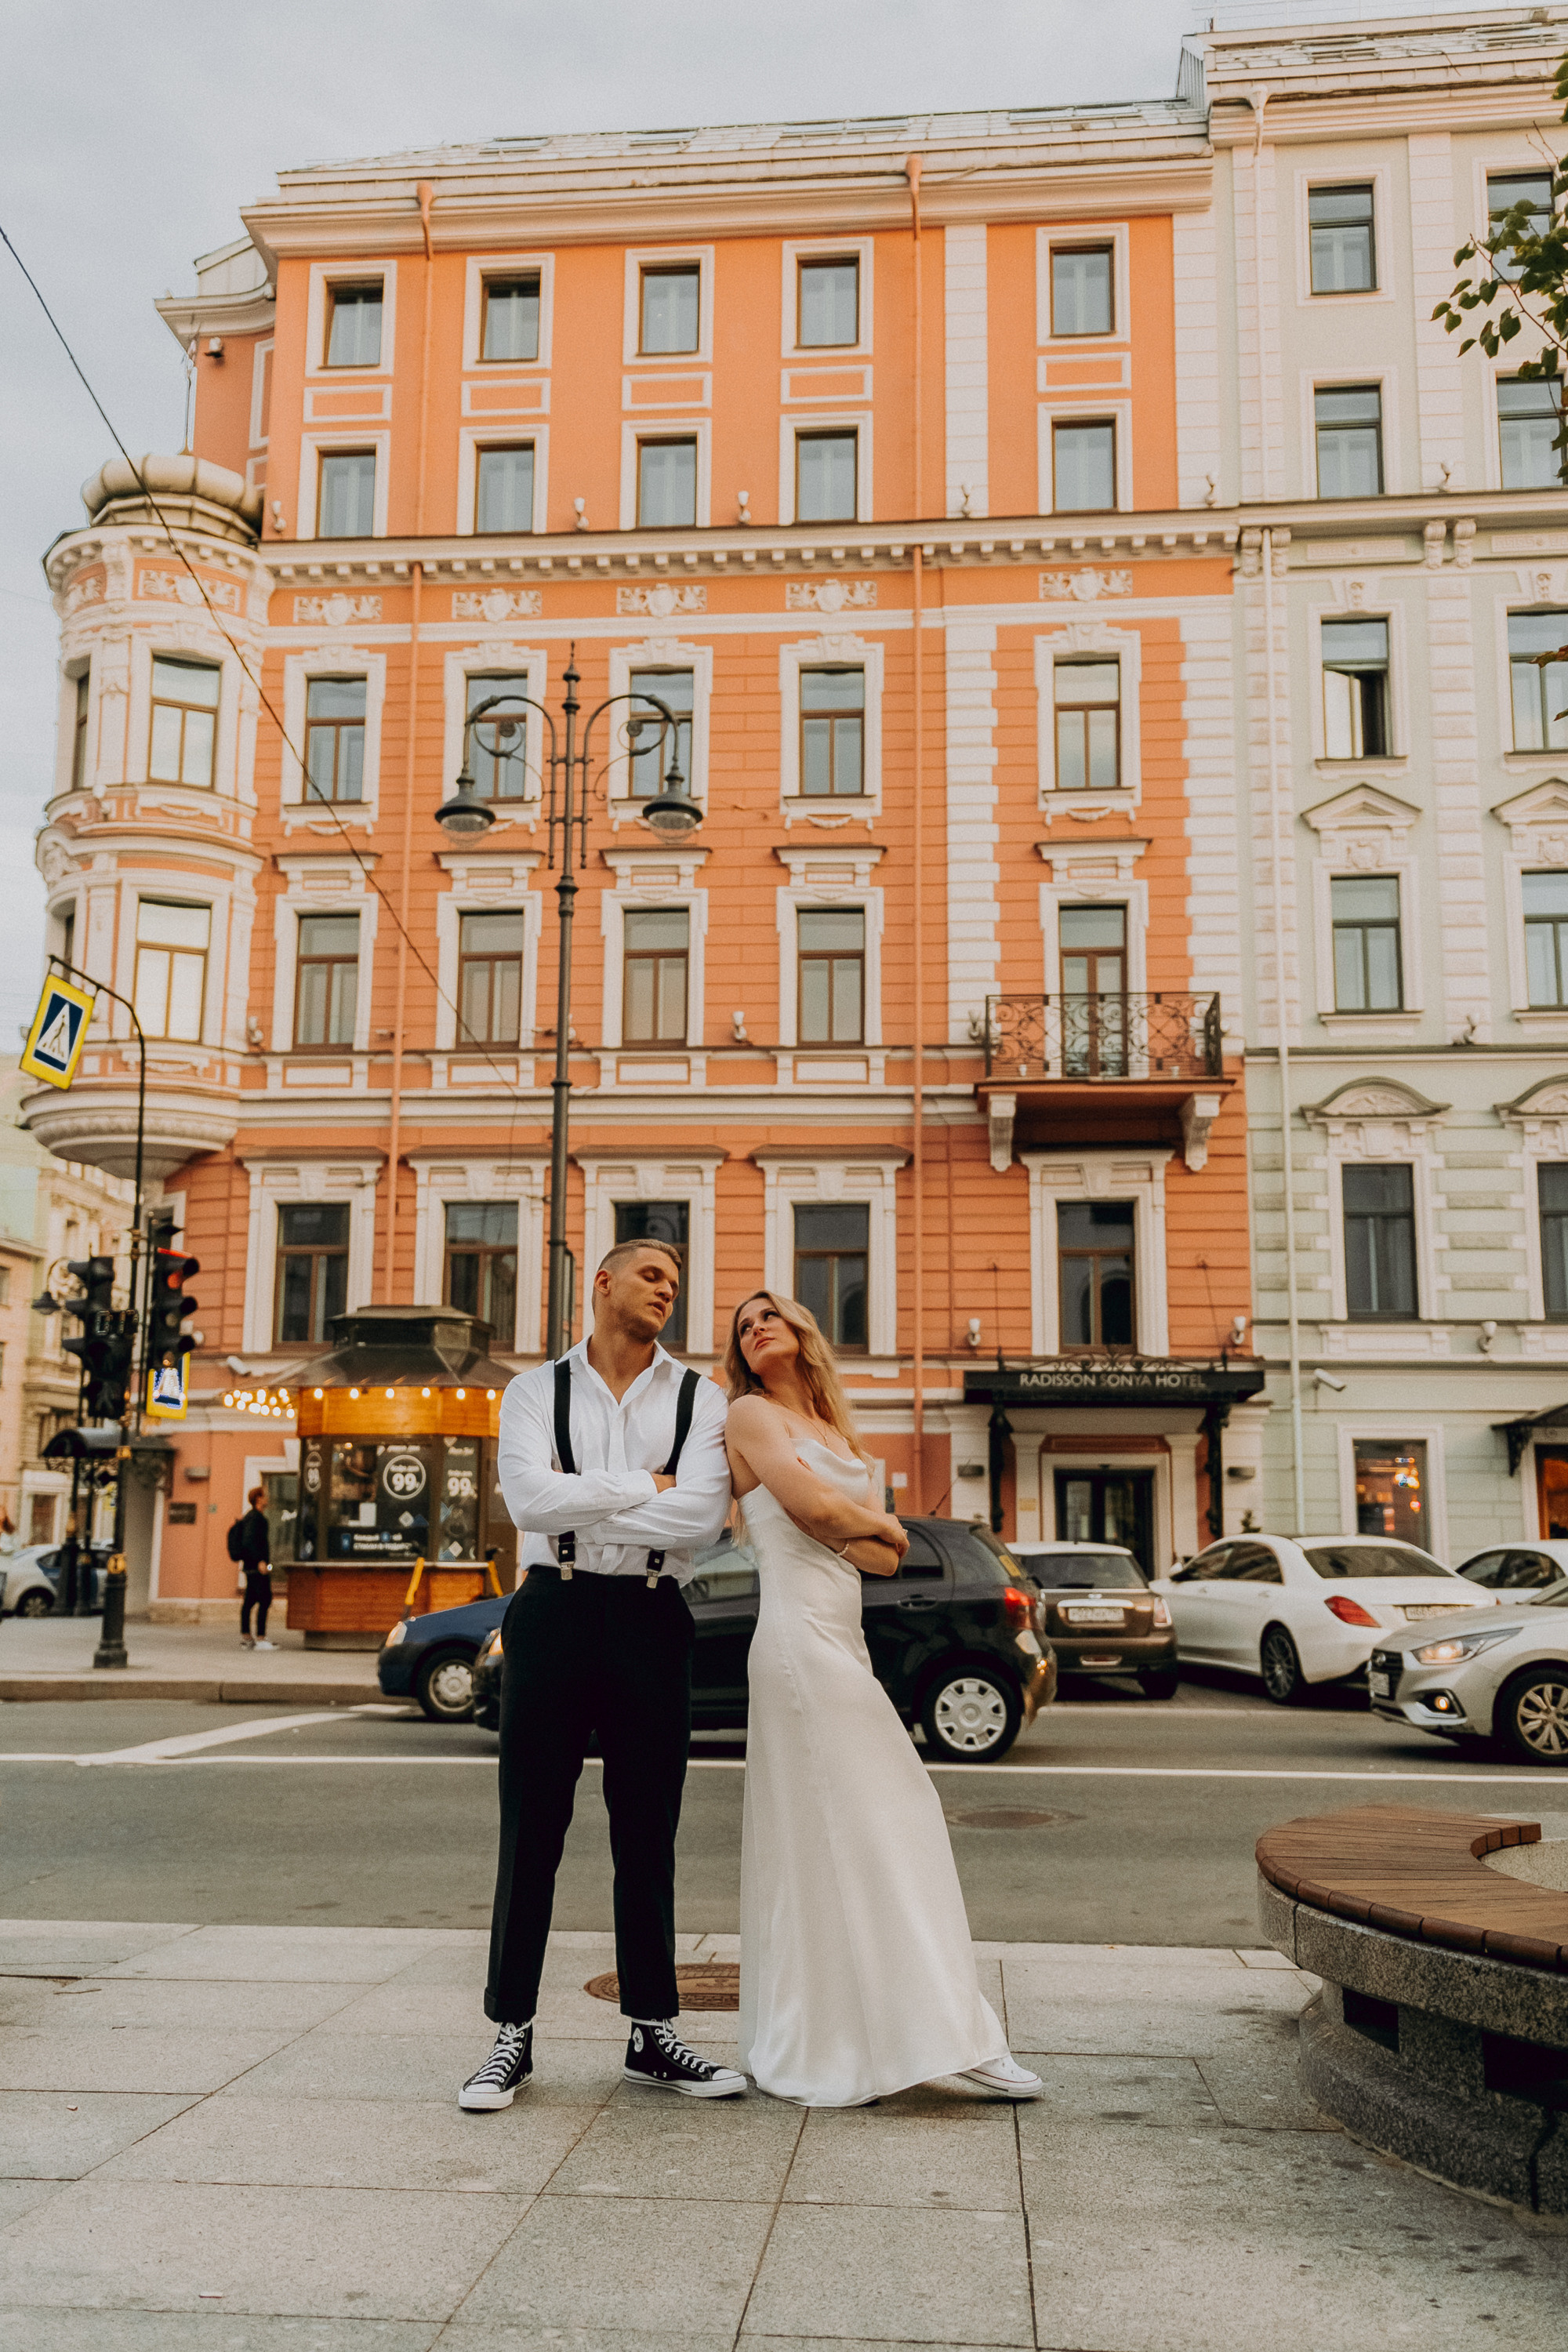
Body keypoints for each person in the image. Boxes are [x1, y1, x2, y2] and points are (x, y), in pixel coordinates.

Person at [724, 1289, 1044, 2108]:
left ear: (802, 1330)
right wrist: (884, 1523)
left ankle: (887, 2030)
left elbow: (876, 1562)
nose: (756, 1327)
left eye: (770, 1315)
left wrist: (870, 1530)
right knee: (883, 1818)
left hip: (842, 1640)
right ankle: (945, 2034)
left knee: (856, 1833)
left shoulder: (833, 1431)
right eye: (743, 1325)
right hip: (797, 1647)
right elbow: (814, 1512)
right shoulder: (751, 1416)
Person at [460, 1240, 744, 2113]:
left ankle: (651, 2033)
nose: (666, 1288)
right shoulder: (531, 1390)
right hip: (553, 1608)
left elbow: (697, 1514)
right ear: (603, 1283)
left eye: (675, 1280)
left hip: (654, 1617)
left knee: (647, 1831)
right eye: (651, 1274)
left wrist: (592, 1490)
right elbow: (527, 1504)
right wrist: (640, 1486)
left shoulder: (701, 1398)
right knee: (531, 1827)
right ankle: (510, 2035)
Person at [237, 1486, 275, 1650]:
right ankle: (260, 1638)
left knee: (251, 1600)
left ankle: (247, 1637)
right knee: (265, 1599)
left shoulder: (252, 1517)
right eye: (265, 1495)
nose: (268, 1498)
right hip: (256, 1567)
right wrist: (260, 1561)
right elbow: (249, 1541)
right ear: (259, 1498)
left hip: (252, 1566)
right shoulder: (256, 1518)